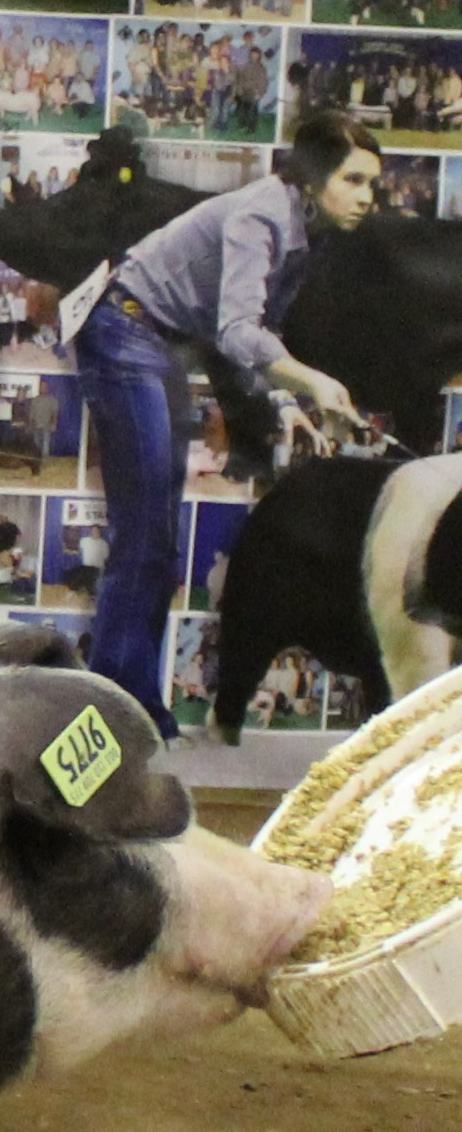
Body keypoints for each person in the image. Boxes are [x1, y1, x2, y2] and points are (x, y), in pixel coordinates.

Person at [71, 108, 377, 729]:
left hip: (151, 340)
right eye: (354, 180)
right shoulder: (263, 214)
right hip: (123, 330)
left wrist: (288, 404)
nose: (367, 198)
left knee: (154, 537)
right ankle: (111, 711)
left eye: (372, 184)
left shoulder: (301, 231)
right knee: (146, 536)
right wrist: (313, 382)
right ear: (313, 177)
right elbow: (237, 334)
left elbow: (246, 336)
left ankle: (130, 706)